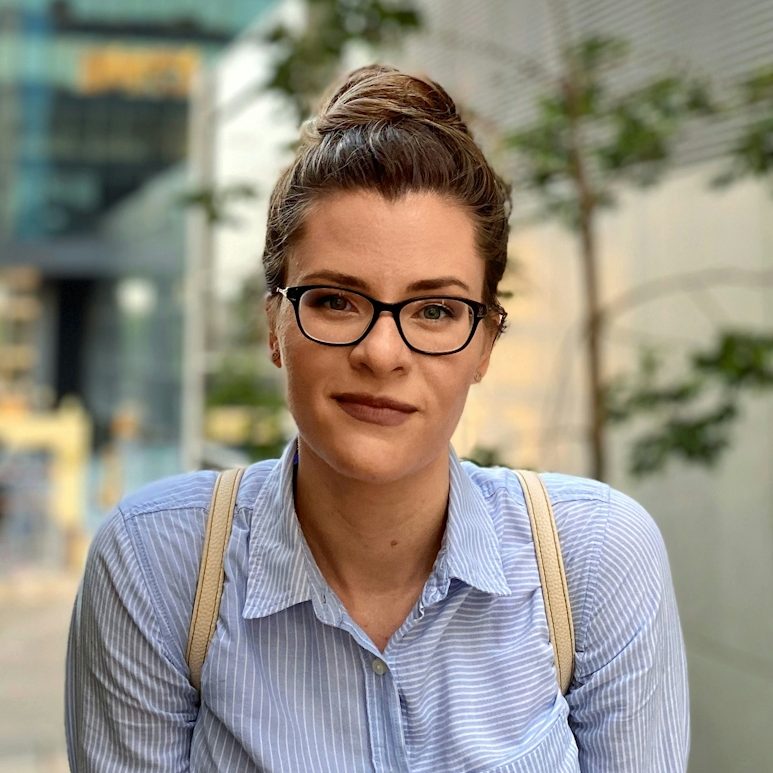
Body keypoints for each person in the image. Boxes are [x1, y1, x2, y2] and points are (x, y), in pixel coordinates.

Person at [65, 64, 689, 772]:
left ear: (484, 343)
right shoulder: (157, 564)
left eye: (435, 310)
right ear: (274, 325)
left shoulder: (594, 558)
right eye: (336, 300)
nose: (382, 353)